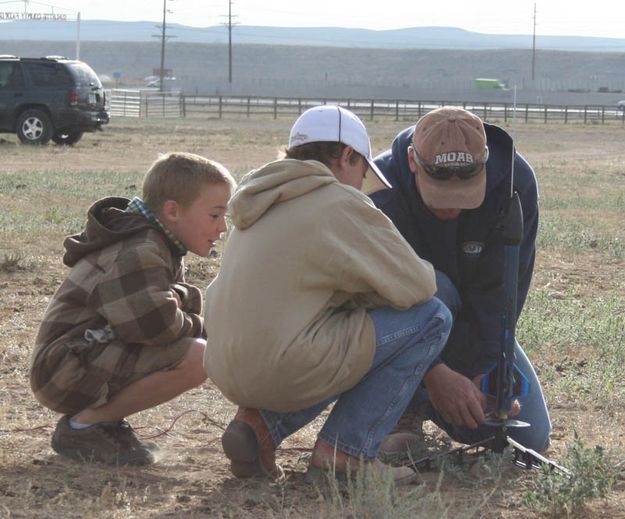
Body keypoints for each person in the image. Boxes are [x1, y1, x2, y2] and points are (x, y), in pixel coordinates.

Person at [203, 105, 452, 484]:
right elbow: (419, 286)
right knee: (432, 317)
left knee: (332, 335)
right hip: (281, 365)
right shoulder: (337, 200)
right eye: (361, 171)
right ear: (346, 156)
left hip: (223, 363)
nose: (359, 182)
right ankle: (346, 451)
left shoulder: (262, 196)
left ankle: (258, 427)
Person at [30, 152, 235, 466]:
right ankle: (84, 427)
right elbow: (156, 326)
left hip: (76, 358)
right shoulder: (141, 248)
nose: (223, 227)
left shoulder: (155, 242)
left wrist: (182, 307)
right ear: (172, 211)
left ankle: (97, 422)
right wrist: (192, 310)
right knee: (198, 357)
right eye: (214, 215)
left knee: (197, 349)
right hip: (62, 370)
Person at [369, 107, 551, 456]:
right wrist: (434, 375)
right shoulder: (381, 190)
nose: (453, 209)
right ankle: (404, 409)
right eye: (440, 194)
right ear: (412, 162)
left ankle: (449, 400)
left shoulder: (516, 183)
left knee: (528, 441)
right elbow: (375, 302)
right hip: (406, 322)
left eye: (466, 194)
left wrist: (486, 369)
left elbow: (507, 290)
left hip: (473, 323)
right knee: (434, 286)